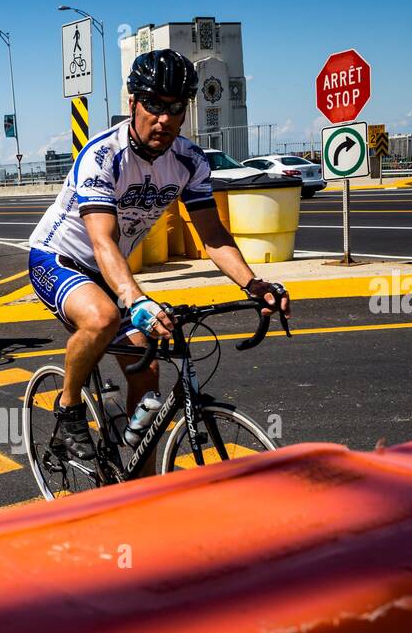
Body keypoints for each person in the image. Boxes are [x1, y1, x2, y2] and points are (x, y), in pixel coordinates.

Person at [27, 48, 290, 463]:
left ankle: (138, 470)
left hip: (110, 273)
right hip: (59, 259)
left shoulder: (190, 160)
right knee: (102, 317)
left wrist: (254, 284)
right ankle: (69, 404)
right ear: (132, 103)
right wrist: (137, 299)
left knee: (145, 366)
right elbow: (102, 241)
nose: (164, 119)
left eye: (175, 107)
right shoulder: (102, 157)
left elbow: (213, 235)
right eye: (153, 105)